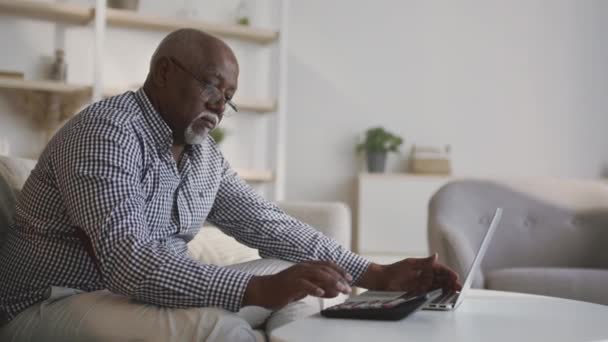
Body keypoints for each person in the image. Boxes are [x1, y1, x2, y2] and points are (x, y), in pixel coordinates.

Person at [0, 29, 460, 341]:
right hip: (52, 302)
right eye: (213, 87)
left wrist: (374, 275)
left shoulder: (203, 156)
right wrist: (258, 292)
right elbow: (130, 262)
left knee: (302, 281)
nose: (219, 107)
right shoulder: (106, 133)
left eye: (229, 99)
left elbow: (267, 223)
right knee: (221, 330)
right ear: (164, 73)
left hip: (132, 296)